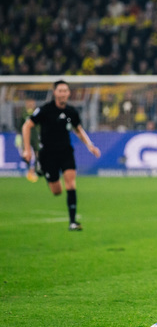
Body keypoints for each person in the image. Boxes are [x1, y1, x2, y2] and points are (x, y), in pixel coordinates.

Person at [22, 80, 101, 231]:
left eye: (66, 91)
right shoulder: (45, 110)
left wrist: (90, 145)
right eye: (60, 91)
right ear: (55, 93)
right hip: (48, 154)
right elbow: (27, 125)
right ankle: (44, 170)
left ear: (69, 93)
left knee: (71, 184)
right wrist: (27, 150)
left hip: (65, 152)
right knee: (57, 191)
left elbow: (78, 129)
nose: (63, 93)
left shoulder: (72, 111)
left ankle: (72, 222)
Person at [15, 99, 41, 182]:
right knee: (27, 154)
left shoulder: (37, 113)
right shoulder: (24, 114)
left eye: (32, 103)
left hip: (36, 137)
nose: (31, 105)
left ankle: (36, 170)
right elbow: (20, 126)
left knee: (37, 153)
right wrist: (19, 136)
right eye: (29, 103)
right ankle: (29, 170)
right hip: (27, 137)